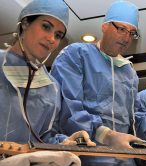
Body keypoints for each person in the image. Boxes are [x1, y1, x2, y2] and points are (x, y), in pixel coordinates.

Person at [50, 0, 143, 166]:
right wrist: (106, 135)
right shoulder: (76, 54)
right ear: (104, 26)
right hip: (85, 155)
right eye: (121, 29)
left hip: (126, 161)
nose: (126, 38)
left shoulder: (129, 72)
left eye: (132, 33)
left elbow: (133, 118)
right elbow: (68, 106)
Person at [0, 0, 95, 146]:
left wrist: (63, 141)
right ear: (25, 23)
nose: (51, 39)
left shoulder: (51, 87)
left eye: (58, 35)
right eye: (46, 26)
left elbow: (43, 138)